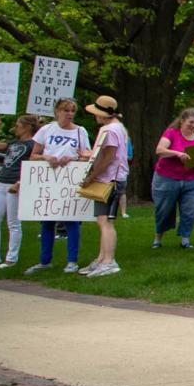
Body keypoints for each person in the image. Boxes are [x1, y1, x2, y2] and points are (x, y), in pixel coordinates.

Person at [26, 99, 91, 274]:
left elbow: (86, 156)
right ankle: (44, 260)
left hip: (69, 179)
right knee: (47, 221)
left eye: (72, 111)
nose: (69, 114)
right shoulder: (46, 130)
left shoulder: (80, 131)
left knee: (71, 220)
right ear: (57, 111)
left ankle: (72, 261)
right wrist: (47, 158)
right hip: (48, 180)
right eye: (65, 110)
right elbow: (33, 155)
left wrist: (73, 159)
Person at [78, 95, 129, 277]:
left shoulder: (110, 130)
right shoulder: (115, 128)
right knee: (102, 220)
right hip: (110, 177)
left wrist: (91, 176)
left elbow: (109, 157)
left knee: (106, 221)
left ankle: (109, 261)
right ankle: (101, 258)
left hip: (111, 179)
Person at [152, 107, 194, 249]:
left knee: (190, 210)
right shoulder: (171, 133)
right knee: (164, 210)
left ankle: (185, 239)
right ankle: (158, 238)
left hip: (192, 179)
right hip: (167, 177)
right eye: (191, 122)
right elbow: (160, 150)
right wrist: (178, 154)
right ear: (182, 121)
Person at [0, 115, 36, 269]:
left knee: (13, 222)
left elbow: (32, 166)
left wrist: (19, 182)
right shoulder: (13, 142)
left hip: (14, 184)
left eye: (18, 125)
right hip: (2, 182)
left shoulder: (32, 145)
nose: (15, 128)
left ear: (27, 127)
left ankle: (11, 258)